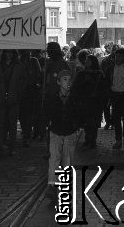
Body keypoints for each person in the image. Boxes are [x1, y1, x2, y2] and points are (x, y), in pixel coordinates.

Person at [45, 70, 80, 202]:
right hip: (56, 131)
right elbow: (47, 111)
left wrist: (75, 125)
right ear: (59, 82)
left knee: (67, 159)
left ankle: (65, 185)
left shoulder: (74, 97)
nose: (68, 82)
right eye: (64, 79)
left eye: (69, 79)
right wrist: (48, 122)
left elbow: (78, 112)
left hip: (69, 132)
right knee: (54, 157)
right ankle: (52, 184)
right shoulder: (52, 97)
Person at [74, 55, 107, 148]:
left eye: (88, 61)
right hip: (85, 100)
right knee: (86, 121)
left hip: (95, 102)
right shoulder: (81, 73)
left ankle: (92, 140)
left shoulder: (99, 74)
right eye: (86, 60)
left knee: (94, 121)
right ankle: (87, 138)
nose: (86, 62)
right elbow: (77, 86)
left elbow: (103, 87)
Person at [105, 48, 124, 152]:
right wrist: (109, 95)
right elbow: (107, 82)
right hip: (115, 95)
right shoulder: (110, 69)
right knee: (116, 120)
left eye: (120, 56)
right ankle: (118, 140)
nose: (117, 58)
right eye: (116, 56)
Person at [0, 50, 26, 155]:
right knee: (2, 123)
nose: (9, 54)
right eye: (7, 52)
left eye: (11, 52)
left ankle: (11, 146)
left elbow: (23, 81)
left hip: (13, 98)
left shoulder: (19, 66)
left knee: (12, 124)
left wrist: (18, 93)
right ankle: (2, 144)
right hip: (1, 98)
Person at [19, 50, 42, 147]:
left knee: (30, 114)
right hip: (22, 92)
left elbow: (39, 74)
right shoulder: (19, 62)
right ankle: (26, 133)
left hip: (31, 90)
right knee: (23, 115)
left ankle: (28, 134)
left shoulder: (33, 61)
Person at [101, 44, 119, 130]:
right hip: (112, 86)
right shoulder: (118, 60)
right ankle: (111, 122)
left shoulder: (106, 60)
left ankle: (109, 122)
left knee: (108, 106)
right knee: (112, 106)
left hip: (109, 86)